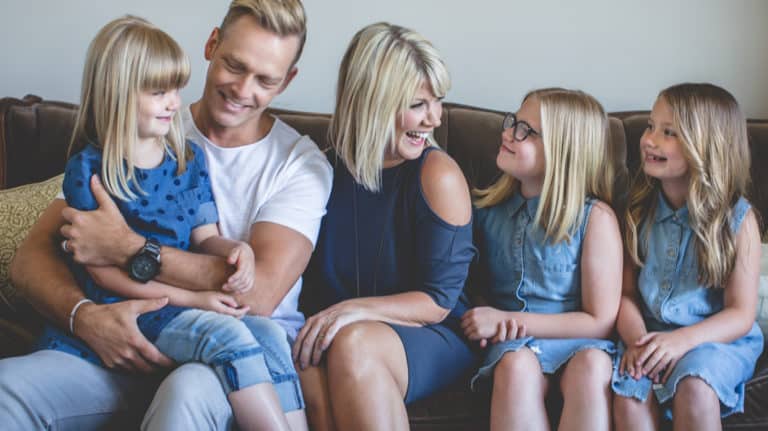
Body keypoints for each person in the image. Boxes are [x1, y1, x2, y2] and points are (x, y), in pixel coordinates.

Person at [2, 1, 332, 430]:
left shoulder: (298, 164)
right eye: (235, 64)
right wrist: (84, 317)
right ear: (212, 45)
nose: (242, 89)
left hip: (228, 352)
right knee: (8, 389)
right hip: (118, 339)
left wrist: (127, 247)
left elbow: (255, 295)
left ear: (286, 81)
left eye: (265, 80)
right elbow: (30, 259)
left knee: (185, 396)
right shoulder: (142, 128)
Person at [293, 22, 477, 430]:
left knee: (353, 344)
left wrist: (352, 311)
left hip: (431, 330)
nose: (433, 118)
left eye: (437, 101)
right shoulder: (318, 171)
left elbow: (439, 300)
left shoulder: (438, 175)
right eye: (417, 104)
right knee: (305, 358)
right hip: (338, 329)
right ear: (371, 103)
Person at [464, 88, 623, 430]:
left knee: (593, 367)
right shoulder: (486, 212)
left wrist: (508, 318)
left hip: (581, 341)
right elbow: (474, 287)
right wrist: (483, 318)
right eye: (513, 122)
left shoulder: (596, 219)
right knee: (514, 366)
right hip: (513, 345)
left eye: (526, 131)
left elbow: (600, 320)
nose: (508, 133)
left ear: (563, 152)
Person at [612, 83, 763, 430]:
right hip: (648, 335)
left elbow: (741, 314)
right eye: (650, 126)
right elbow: (626, 294)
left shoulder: (738, 220)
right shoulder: (636, 210)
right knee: (629, 395)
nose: (649, 139)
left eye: (669, 133)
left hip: (714, 340)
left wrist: (681, 341)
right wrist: (637, 343)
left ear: (706, 146)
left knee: (694, 386)